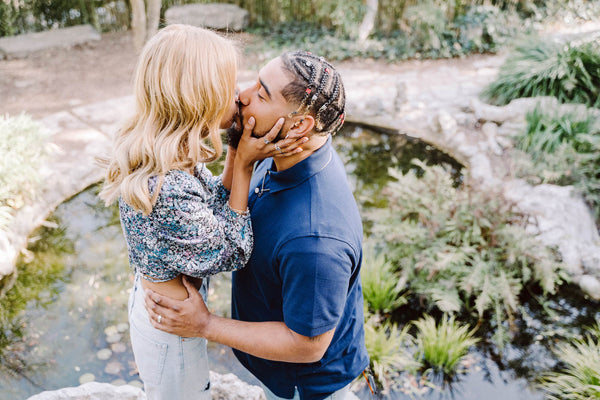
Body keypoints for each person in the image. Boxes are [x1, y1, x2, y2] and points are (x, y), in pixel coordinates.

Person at [144, 50, 369, 400]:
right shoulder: (284, 148)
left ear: (299, 125)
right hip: (274, 364)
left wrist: (205, 324)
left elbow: (307, 346)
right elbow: (229, 199)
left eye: (261, 94)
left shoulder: (316, 240)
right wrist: (236, 148)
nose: (241, 97)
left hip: (304, 386)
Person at [98, 25, 305, 400]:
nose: (240, 96)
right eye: (229, 88)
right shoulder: (168, 187)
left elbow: (211, 202)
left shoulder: (166, 156)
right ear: (200, 98)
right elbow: (231, 251)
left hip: (164, 312)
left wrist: (233, 148)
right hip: (171, 331)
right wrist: (243, 165)